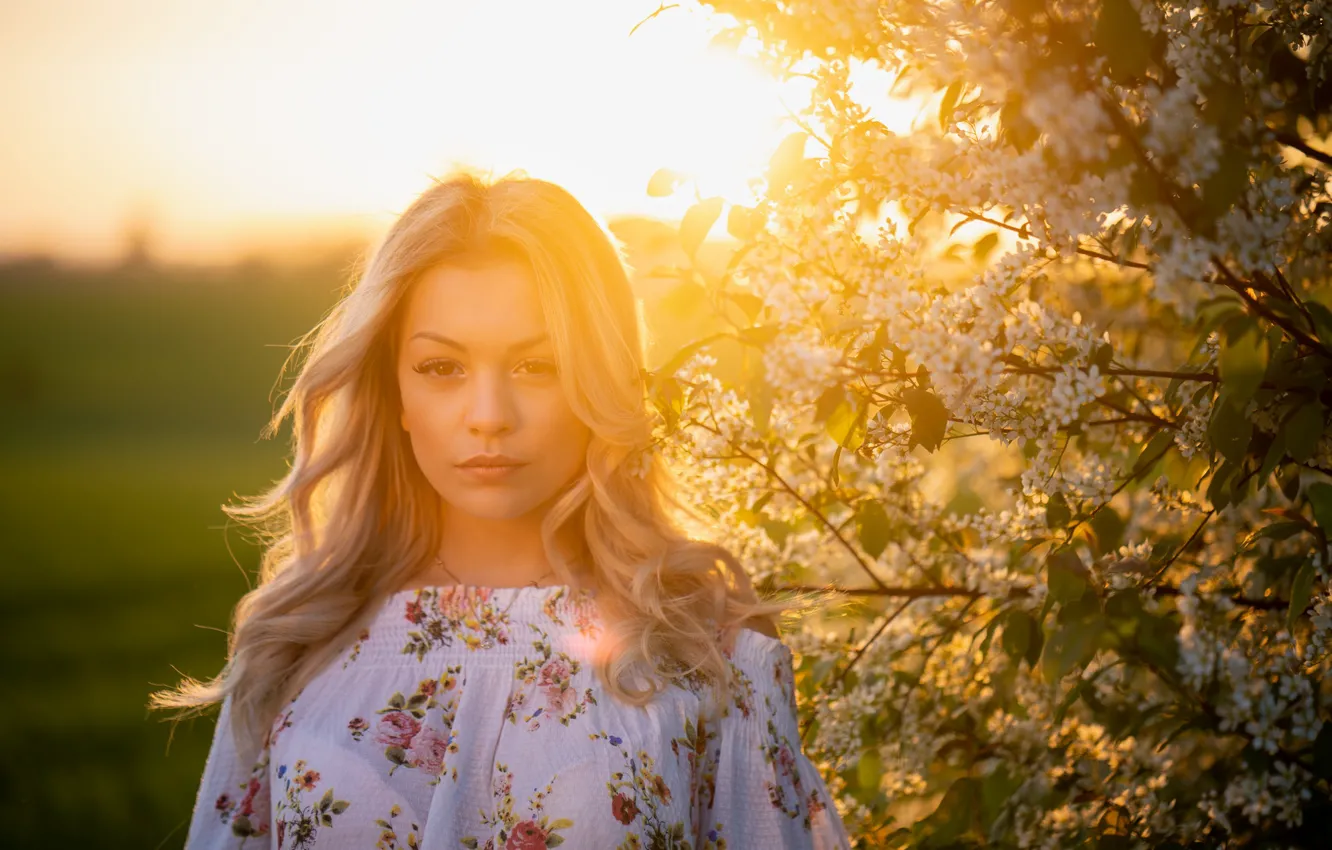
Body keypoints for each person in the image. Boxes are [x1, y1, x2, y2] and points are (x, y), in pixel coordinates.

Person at [151, 169, 853, 849]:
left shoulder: (705, 658)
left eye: (535, 366)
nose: (488, 416)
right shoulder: (300, 643)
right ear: (392, 389)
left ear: (598, 380)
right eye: (442, 368)